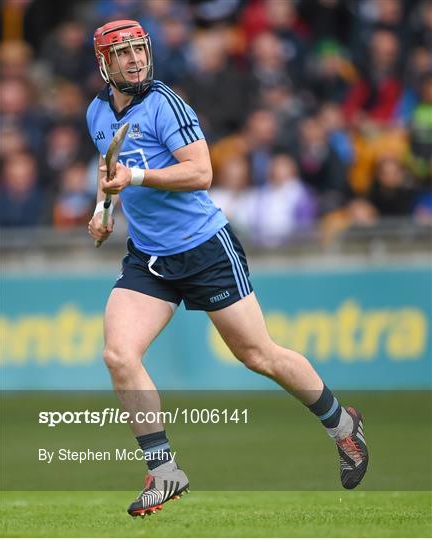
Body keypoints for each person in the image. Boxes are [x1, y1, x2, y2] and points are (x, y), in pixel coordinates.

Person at [87, 20, 369, 519]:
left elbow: (202, 172)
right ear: (104, 64)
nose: (134, 59)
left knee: (259, 355)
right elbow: (110, 171)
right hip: (150, 257)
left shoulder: (167, 104)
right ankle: (164, 469)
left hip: (204, 249)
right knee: (118, 354)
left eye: (139, 49)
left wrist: (137, 175)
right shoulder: (96, 113)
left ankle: (342, 426)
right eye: (122, 53)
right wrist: (103, 209)